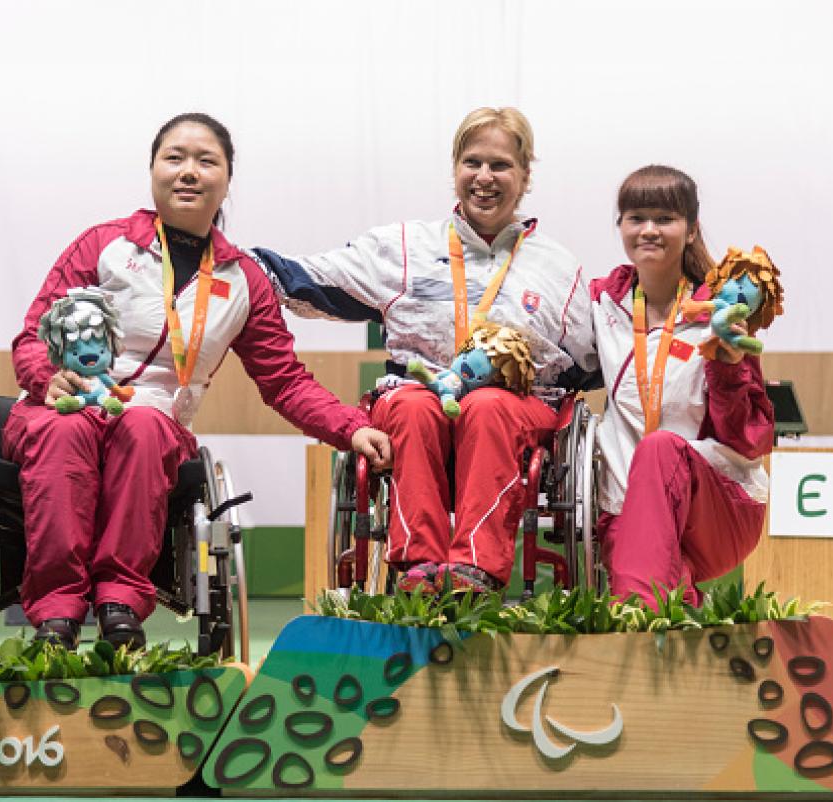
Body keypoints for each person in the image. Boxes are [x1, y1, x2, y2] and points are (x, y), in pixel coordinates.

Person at [6, 112, 392, 649]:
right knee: (65, 433)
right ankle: (57, 610)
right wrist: (47, 376)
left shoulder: (244, 281)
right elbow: (32, 335)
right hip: (64, 406)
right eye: (175, 158)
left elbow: (283, 382)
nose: (189, 172)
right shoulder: (103, 245)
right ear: (153, 171)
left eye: (206, 161)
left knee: (143, 427)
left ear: (227, 181)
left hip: (154, 419)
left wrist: (350, 427)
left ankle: (120, 599)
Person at [254, 107, 596, 593]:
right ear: (455, 168)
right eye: (472, 162)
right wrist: (231, 264)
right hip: (419, 399)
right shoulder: (403, 248)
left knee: (488, 404)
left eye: (500, 165)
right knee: (414, 404)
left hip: (512, 412)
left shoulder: (559, 269)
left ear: (524, 176)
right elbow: (307, 278)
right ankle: (418, 567)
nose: (484, 177)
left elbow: (590, 359)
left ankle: (474, 568)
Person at [589, 165, 774, 608]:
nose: (648, 230)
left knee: (659, 447)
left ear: (691, 230)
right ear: (621, 227)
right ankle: (667, 620)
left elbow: (750, 441)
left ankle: (637, 625)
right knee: (661, 582)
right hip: (628, 508)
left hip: (716, 504)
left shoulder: (720, 315)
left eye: (664, 218)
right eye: (636, 218)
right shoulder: (601, 303)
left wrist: (729, 371)